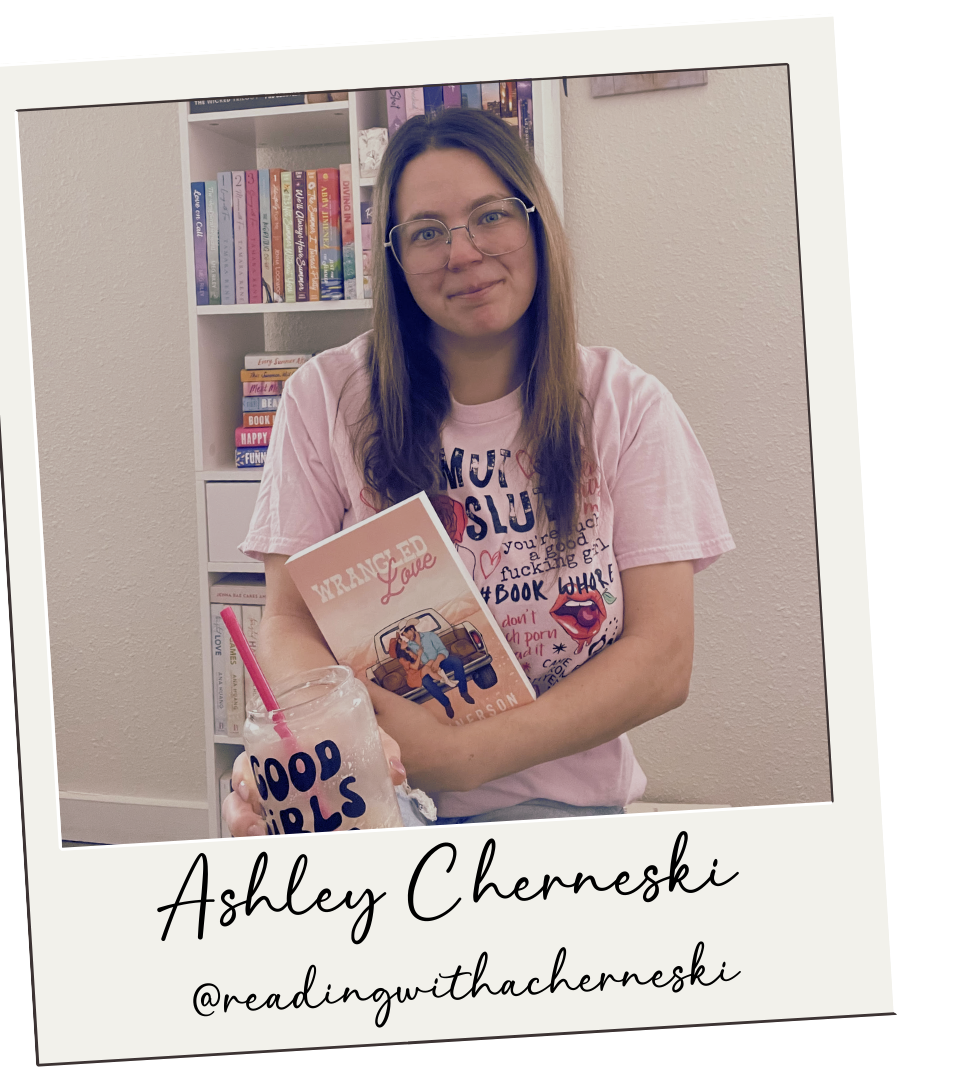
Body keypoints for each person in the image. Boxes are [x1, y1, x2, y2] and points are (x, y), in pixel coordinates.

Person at [222, 107, 734, 835]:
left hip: (562, 815)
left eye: (489, 216)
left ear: (535, 224)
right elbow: (286, 619)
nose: (461, 253)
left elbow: (663, 657)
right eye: (426, 232)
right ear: (395, 258)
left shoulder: (628, 405)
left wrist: (463, 757)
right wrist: (332, 742)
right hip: (374, 805)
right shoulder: (323, 398)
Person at [398, 622, 475, 720]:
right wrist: (427, 665)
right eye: (405, 635)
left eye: (407, 633)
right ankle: (446, 703)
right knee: (425, 681)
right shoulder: (409, 646)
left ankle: (464, 692)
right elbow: (416, 662)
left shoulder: (430, 635)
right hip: (427, 668)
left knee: (456, 661)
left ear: (412, 629)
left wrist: (437, 662)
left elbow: (442, 650)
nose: (408, 637)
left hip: (440, 661)